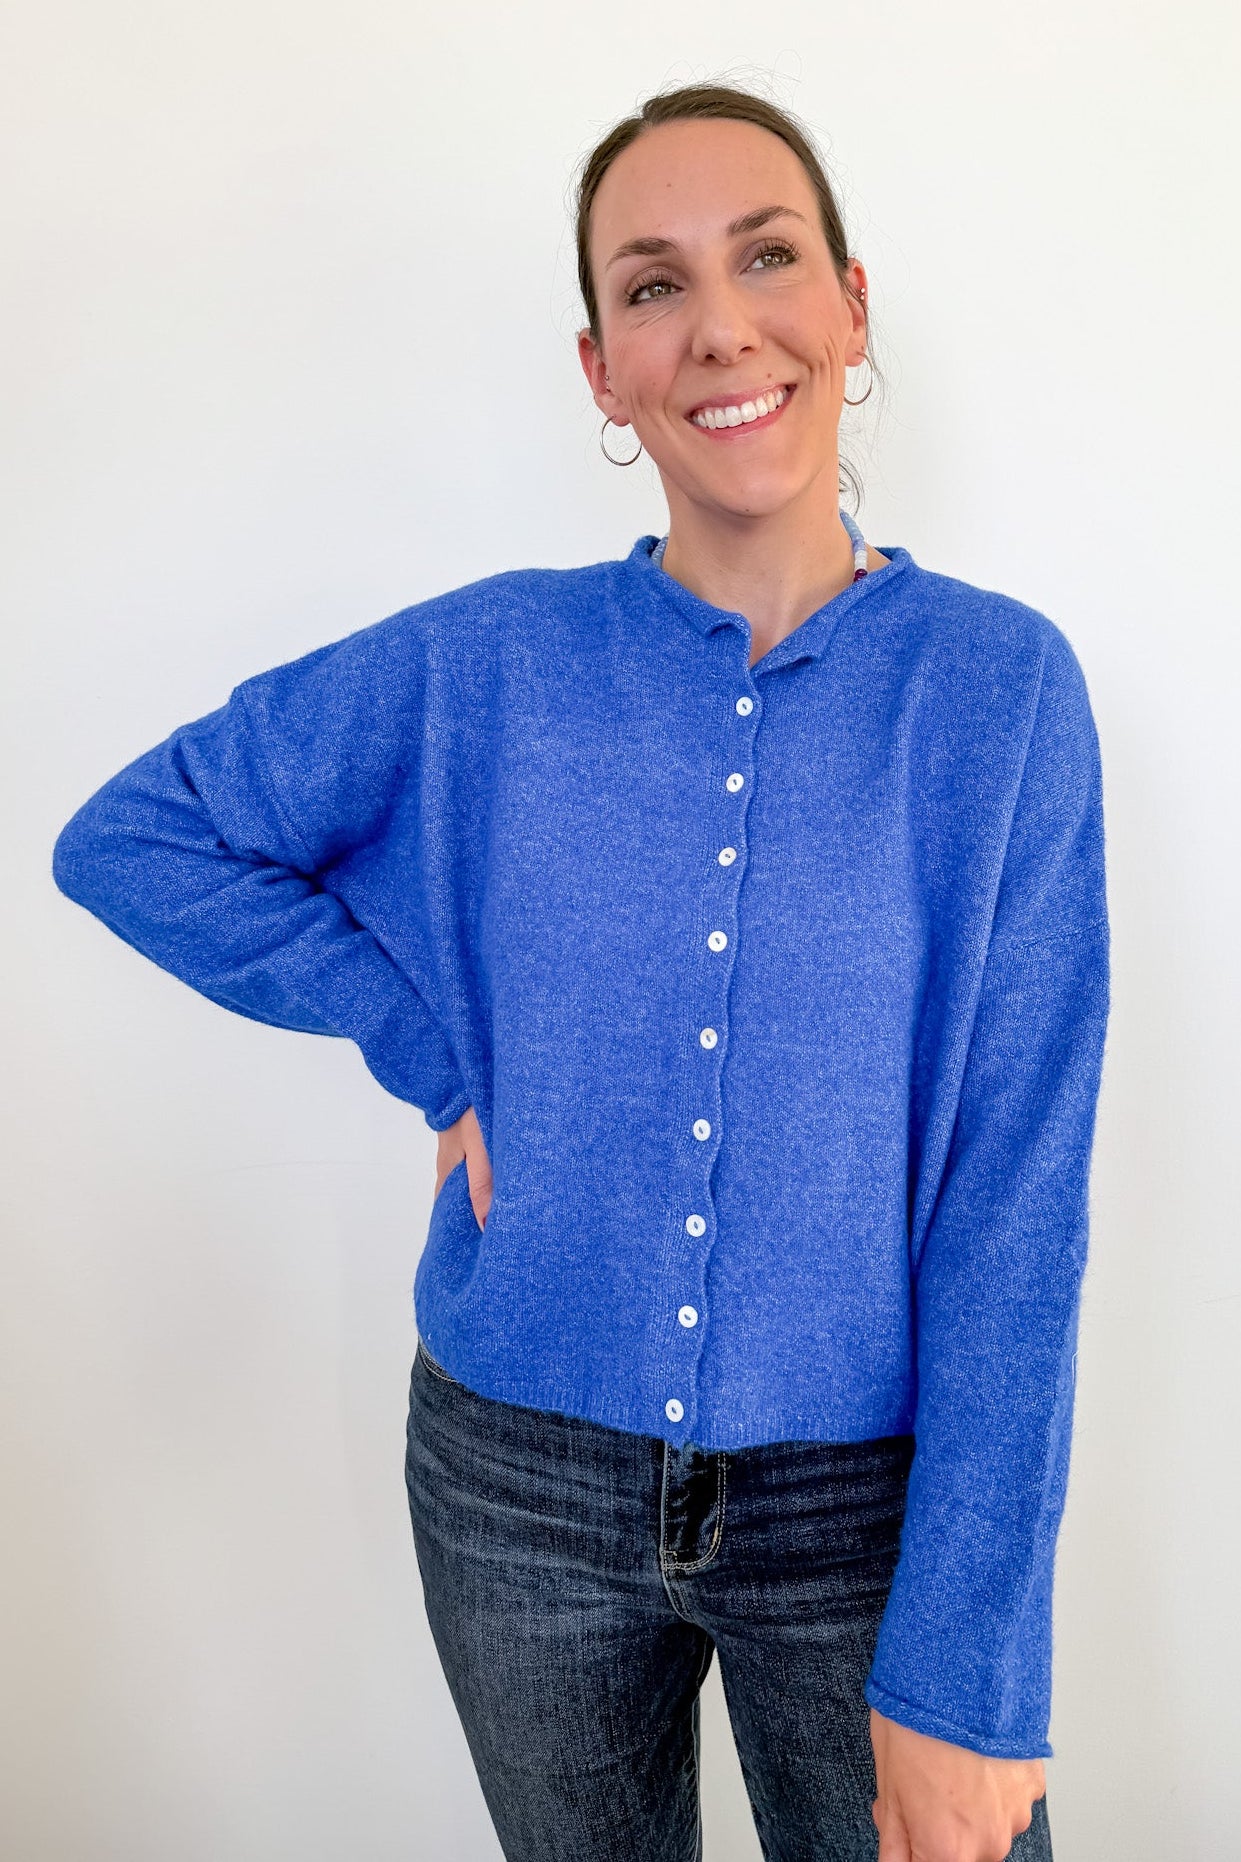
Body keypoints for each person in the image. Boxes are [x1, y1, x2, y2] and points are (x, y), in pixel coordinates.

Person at [51, 79, 1109, 1862]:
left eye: (765, 257)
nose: (718, 323)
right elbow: (135, 834)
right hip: (512, 1477)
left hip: (867, 1505)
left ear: (851, 304)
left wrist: (968, 1668)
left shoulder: (995, 693)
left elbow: (1018, 1197)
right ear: (600, 369)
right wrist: (434, 1049)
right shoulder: (490, 663)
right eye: (650, 285)